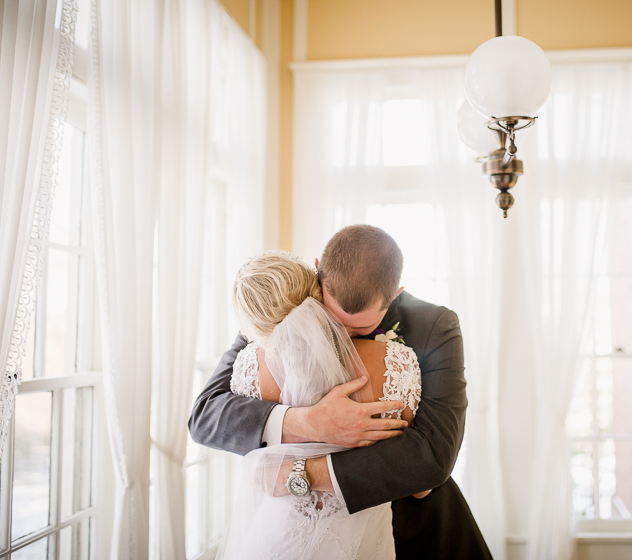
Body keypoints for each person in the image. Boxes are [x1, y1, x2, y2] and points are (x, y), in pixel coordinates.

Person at [189, 225, 491, 559]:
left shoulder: (434, 326)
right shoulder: (282, 306)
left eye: (358, 329)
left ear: (396, 293)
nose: (341, 337)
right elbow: (205, 415)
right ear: (318, 270)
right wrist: (306, 423)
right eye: (331, 319)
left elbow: (434, 455)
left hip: (411, 530)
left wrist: (303, 474)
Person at [218, 251, 424, 558]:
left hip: (276, 538)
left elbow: (249, 453)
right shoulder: (395, 362)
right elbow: (419, 482)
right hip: (362, 540)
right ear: (316, 288)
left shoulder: (250, 367)